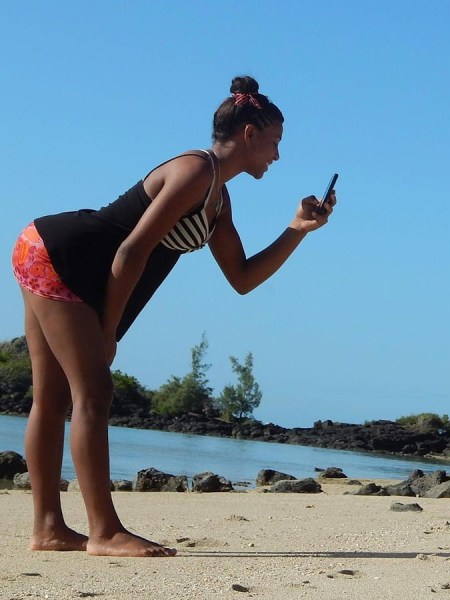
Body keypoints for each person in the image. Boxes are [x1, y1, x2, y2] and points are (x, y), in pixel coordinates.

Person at [10, 75, 336, 558]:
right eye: (274, 143)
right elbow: (129, 252)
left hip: (52, 255)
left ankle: (48, 529)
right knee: (93, 392)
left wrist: (298, 229)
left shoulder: (219, 199)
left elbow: (242, 278)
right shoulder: (194, 172)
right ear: (249, 134)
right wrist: (107, 331)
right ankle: (103, 532)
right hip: (59, 256)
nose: (277, 155)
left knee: (55, 398)